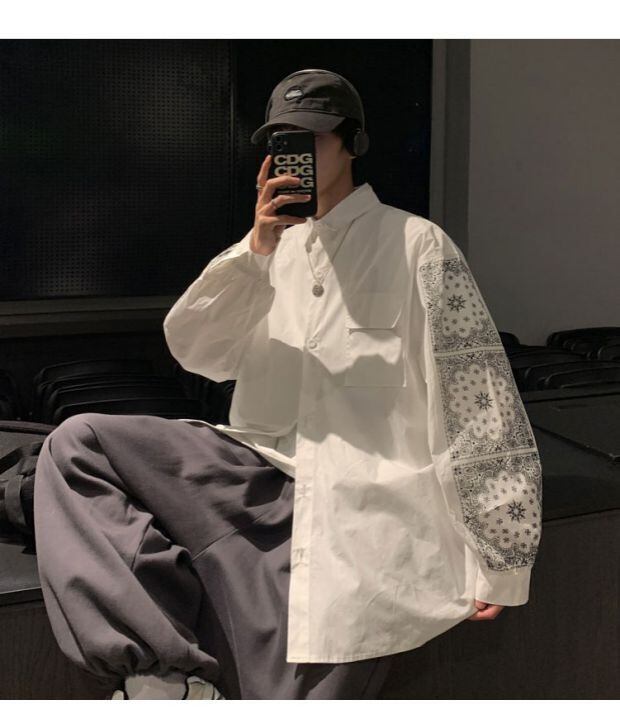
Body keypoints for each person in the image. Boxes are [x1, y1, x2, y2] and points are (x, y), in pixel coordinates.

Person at [33, 68, 543, 700]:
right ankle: (162, 675)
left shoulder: (418, 246)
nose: (291, 155)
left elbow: (479, 400)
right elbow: (196, 351)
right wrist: (256, 251)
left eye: (311, 138)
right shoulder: (265, 254)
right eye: (280, 142)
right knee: (79, 443)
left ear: (352, 142)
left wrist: (501, 553)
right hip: (253, 477)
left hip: (362, 510)